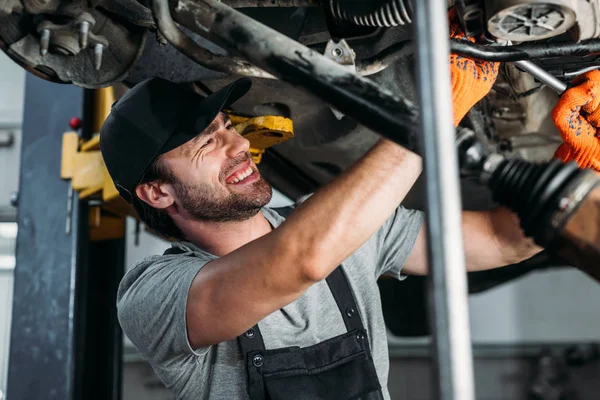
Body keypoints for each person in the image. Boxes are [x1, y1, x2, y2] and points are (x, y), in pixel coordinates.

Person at [99, 18, 600, 400]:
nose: (237, 146)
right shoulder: (153, 295)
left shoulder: (341, 225)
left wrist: (582, 161)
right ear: (157, 193)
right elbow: (301, 261)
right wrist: (430, 116)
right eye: (204, 144)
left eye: (227, 126)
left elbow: (502, 240)